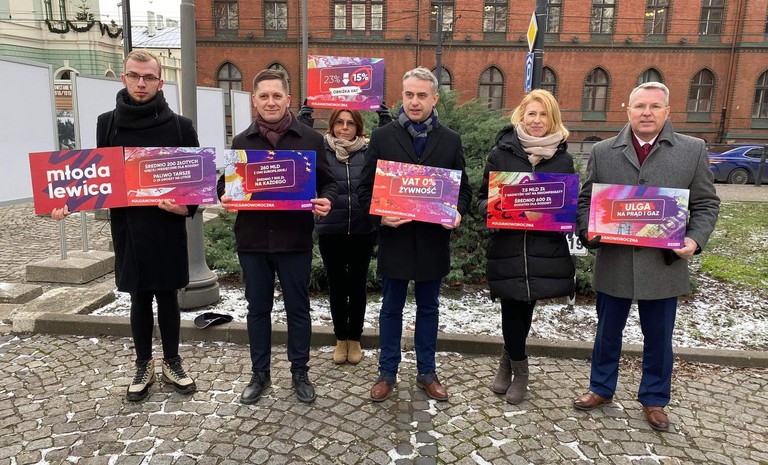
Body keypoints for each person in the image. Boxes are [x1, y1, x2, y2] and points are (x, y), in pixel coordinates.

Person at [52, 50, 199, 402]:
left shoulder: (181, 126)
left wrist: (186, 207)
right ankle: (143, 364)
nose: (141, 83)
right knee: (139, 296)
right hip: (128, 226)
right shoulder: (107, 123)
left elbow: (195, 181)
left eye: (148, 77)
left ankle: (173, 362)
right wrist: (70, 201)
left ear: (160, 82)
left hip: (166, 226)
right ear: (124, 78)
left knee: (167, 296)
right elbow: (99, 175)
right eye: (134, 76)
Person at [573, 82, 720, 431]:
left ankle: (654, 398)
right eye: (640, 106)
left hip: (663, 264)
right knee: (607, 332)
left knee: (659, 338)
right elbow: (586, 201)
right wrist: (587, 230)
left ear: (667, 111)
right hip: (615, 260)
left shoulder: (692, 150)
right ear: (628, 110)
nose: (647, 113)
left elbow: (706, 203)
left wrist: (695, 239)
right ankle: (601, 388)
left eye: (655, 106)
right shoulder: (604, 151)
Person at [217, 69, 337, 404]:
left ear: (288, 99)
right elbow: (226, 183)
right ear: (254, 101)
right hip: (253, 241)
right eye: (264, 96)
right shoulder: (242, 142)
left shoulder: (310, 140)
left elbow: (328, 182)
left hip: (294, 240)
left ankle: (300, 372)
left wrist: (328, 200)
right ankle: (260, 373)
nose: (271, 102)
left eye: (277, 96)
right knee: (258, 310)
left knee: (298, 309)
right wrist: (222, 195)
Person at [358, 67, 473, 402]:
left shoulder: (450, 140)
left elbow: (464, 190)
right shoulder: (383, 137)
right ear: (402, 96)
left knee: (429, 309)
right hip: (395, 240)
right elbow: (365, 190)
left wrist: (458, 212)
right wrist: (380, 217)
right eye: (409, 94)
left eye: (422, 95)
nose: (415, 101)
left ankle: (427, 372)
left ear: (434, 98)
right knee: (390, 309)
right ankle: (387, 372)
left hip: (432, 242)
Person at [476, 89, 576, 405]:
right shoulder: (501, 153)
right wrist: (495, 210)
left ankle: (508, 362)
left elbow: (567, 206)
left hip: (543, 249)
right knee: (511, 308)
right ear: (522, 115)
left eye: (543, 114)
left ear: (553, 119)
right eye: (531, 113)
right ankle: (520, 370)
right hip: (508, 246)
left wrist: (562, 215)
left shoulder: (563, 159)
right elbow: (481, 199)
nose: (537, 120)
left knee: (526, 308)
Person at [297, 105, 392, 365]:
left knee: (358, 286)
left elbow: (388, 159)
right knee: (338, 286)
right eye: (340, 122)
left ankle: (355, 338)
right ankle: (341, 338)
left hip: (362, 229)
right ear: (332, 125)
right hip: (331, 229)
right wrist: (304, 118)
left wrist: (386, 121)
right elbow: (299, 148)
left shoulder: (368, 150)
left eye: (350, 123)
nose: (345, 128)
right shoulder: (321, 149)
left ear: (358, 126)